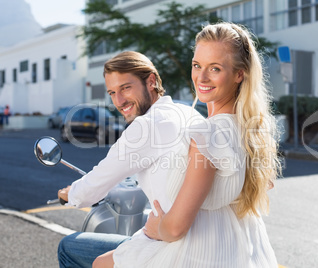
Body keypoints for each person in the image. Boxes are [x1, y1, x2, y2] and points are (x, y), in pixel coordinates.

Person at [94, 22, 280, 268]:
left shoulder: (208, 133)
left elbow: (175, 228)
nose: (201, 77)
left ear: (239, 74)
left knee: (96, 262)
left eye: (215, 68)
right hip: (240, 248)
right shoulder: (250, 129)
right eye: (197, 65)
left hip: (195, 252)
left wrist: (155, 227)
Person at [57, 51, 203, 267]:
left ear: (151, 81)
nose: (119, 100)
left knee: (68, 247)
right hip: (196, 236)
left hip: (171, 244)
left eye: (126, 88)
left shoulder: (145, 127)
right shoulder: (188, 113)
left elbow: (96, 182)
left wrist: (70, 194)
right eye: (112, 92)